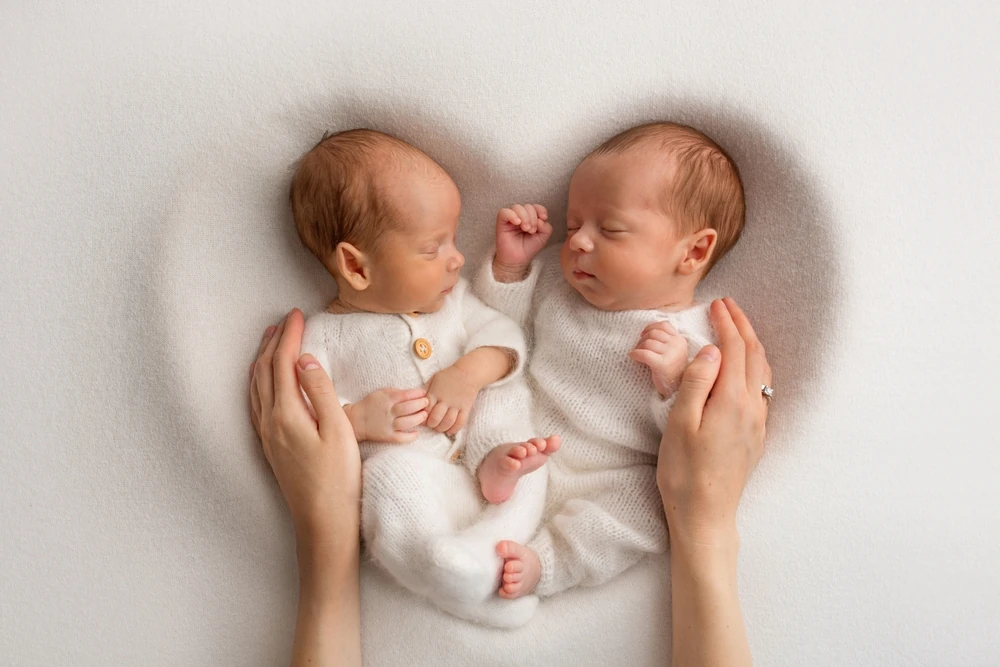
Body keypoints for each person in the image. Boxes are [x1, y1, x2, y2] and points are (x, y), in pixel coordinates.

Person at [249, 295, 771, 667]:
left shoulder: (696, 326)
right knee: (405, 474)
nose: (581, 241)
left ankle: (538, 560)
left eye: (608, 227)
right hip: (500, 449)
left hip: (615, 468)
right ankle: (467, 537)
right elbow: (514, 316)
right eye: (575, 225)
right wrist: (512, 269)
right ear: (355, 266)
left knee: (629, 509)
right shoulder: (567, 290)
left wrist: (677, 378)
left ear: (692, 251)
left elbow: (500, 336)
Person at [287, 129, 556, 624]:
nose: (457, 258)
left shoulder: (453, 303)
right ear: (355, 266)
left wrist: (469, 373)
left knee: (509, 416)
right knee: (388, 480)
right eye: (433, 249)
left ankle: (490, 523)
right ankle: (456, 572)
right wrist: (356, 419)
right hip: (424, 486)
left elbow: (505, 335)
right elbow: (304, 426)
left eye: (453, 240)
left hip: (486, 446)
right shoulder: (323, 338)